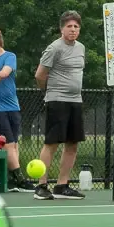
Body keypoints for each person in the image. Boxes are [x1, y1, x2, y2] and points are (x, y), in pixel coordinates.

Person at [33, 10, 87, 200]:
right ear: (61, 28)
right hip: (57, 101)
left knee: (72, 144)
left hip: (76, 101)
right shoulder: (54, 48)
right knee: (52, 143)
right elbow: (40, 75)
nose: (73, 30)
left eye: (76, 27)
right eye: (69, 26)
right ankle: (41, 186)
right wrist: (49, 92)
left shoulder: (81, 48)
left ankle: (62, 185)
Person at [0, 29, 31, 192]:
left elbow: (4, 73)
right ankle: (20, 178)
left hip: (12, 106)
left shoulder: (10, 56)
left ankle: (11, 181)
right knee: (7, 144)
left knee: (14, 145)